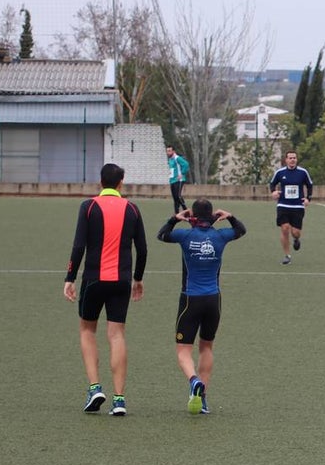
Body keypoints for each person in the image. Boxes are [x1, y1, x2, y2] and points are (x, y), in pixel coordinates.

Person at [63, 163, 147, 416]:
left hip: (93, 279)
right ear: (121, 182)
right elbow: (142, 250)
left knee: (87, 330)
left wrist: (70, 277)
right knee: (117, 334)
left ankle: (95, 387)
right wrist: (138, 278)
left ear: (101, 182)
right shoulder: (132, 208)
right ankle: (119, 399)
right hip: (121, 281)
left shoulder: (88, 207)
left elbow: (79, 246)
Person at [156, 198, 246, 415]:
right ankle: (202, 399)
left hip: (190, 300)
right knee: (206, 347)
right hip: (213, 300)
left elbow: (162, 234)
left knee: (183, 351)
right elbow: (241, 230)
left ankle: (194, 381)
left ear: (192, 217)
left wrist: (175, 218)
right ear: (214, 216)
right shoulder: (220, 236)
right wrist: (230, 216)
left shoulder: (185, 235)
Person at [268, 151, 313, 265]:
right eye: (290, 158)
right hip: (283, 205)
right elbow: (272, 184)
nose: (292, 160)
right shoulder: (280, 172)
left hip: (298, 206)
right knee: (284, 228)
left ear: (296, 160)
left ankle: (296, 239)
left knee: (295, 232)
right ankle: (287, 255)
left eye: (294, 158)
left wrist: (308, 198)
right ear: (286, 160)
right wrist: (273, 192)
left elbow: (309, 185)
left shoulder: (303, 172)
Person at [166, 145, 189, 213]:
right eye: (167, 151)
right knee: (175, 198)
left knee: (178, 196)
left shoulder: (177, 158)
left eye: (169, 151)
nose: (168, 152)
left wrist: (182, 173)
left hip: (179, 180)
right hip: (172, 180)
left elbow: (186, 164)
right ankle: (177, 214)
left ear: (173, 151)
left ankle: (186, 211)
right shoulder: (170, 159)